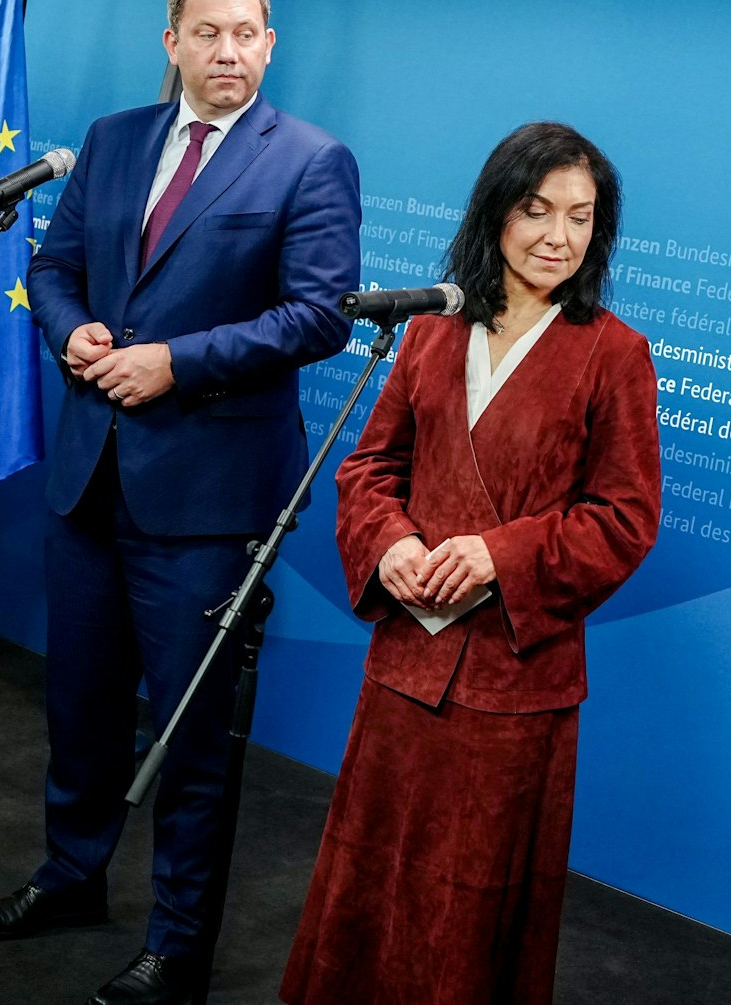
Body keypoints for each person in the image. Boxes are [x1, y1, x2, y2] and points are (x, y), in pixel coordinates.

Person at [0, 0, 361, 1005]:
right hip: (89, 477)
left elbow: (315, 316)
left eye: (246, 35)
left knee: (187, 741)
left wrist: (174, 360)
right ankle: (69, 878)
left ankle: (177, 943)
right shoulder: (112, 139)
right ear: (171, 42)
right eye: (208, 33)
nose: (228, 52)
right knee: (80, 711)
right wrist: (71, 330)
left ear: (269, 45)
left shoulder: (311, 161)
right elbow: (51, 270)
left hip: (208, 499)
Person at [281, 122, 662, 1005]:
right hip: (405, 665)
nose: (557, 236)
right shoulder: (430, 331)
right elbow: (371, 466)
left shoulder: (614, 353)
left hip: (514, 684)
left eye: (579, 216)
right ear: (496, 212)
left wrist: (499, 553)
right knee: (369, 885)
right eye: (537, 210)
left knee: (470, 910)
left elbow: (626, 519)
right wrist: (392, 542)